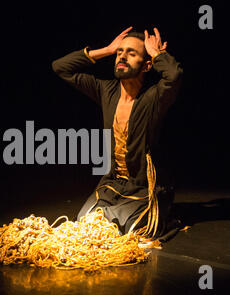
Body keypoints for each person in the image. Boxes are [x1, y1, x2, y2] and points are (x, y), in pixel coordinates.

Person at [52, 26, 183, 239]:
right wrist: (106, 49)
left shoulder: (153, 98)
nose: (122, 57)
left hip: (144, 187)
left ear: (147, 64)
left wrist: (158, 54)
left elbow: (174, 75)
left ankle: (162, 217)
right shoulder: (107, 91)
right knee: (85, 224)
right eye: (119, 53)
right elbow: (61, 67)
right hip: (112, 184)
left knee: (129, 232)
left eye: (131, 53)